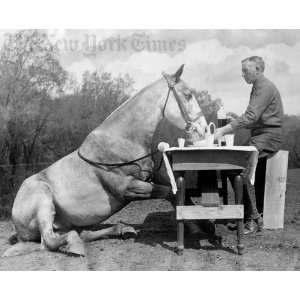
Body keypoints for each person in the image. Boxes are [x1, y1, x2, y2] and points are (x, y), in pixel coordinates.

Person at [215, 56, 284, 234]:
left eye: (246, 70)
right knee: (234, 167)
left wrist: (224, 129)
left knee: (238, 167)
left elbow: (252, 117)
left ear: (258, 70)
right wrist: (235, 121)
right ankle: (248, 215)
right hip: (261, 134)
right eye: (243, 70)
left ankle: (251, 218)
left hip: (268, 137)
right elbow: (256, 117)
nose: (242, 74)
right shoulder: (259, 85)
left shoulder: (263, 86)